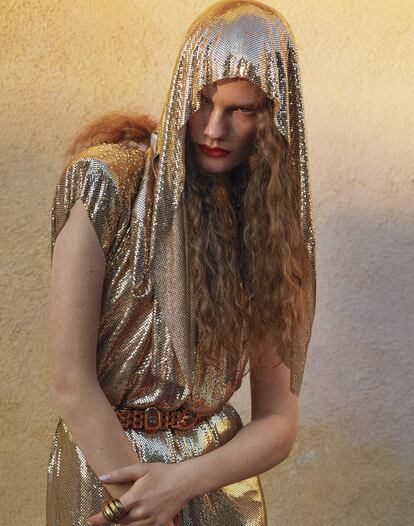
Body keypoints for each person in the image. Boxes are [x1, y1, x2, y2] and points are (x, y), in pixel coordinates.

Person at [46, 0, 316, 525]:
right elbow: (70, 380)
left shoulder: (274, 231)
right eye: (203, 101)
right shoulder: (108, 183)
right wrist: (146, 508)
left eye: (242, 110)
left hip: (215, 480)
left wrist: (182, 484)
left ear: (276, 114)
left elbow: (278, 424)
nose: (214, 129)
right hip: (105, 470)